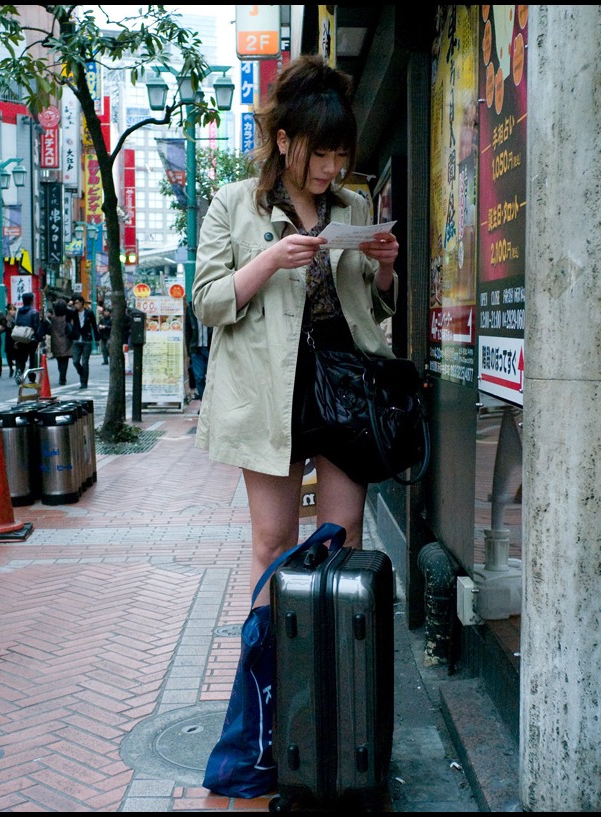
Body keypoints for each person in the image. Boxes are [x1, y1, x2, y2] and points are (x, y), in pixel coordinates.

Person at [191, 55, 400, 602]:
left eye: (340, 155)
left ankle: (333, 669)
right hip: (267, 390)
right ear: (284, 141)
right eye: (320, 153)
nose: (331, 168)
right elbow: (207, 302)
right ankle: (273, 671)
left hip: (344, 385)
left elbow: (374, 310)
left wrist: (384, 268)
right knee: (273, 541)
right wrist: (269, 260)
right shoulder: (236, 204)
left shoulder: (354, 206)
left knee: (342, 540)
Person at [10, 292, 43, 384]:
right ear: (32, 300)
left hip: (20, 337)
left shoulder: (18, 311)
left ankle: (19, 371)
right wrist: (39, 338)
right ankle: (31, 378)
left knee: (21, 358)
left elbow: (15, 323)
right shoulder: (34, 312)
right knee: (32, 358)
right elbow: (36, 326)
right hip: (31, 338)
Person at [68, 294, 98, 389]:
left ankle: (84, 382)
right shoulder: (73, 313)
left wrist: (96, 339)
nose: (75, 305)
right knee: (75, 361)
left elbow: (94, 325)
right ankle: (82, 373)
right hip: (76, 339)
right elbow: (66, 317)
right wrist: (69, 305)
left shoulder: (89, 313)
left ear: (81, 303)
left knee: (85, 362)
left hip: (86, 340)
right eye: (74, 303)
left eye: (76, 303)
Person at [184, 301, 211, 400]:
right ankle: (204, 402)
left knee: (213, 377)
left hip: (210, 348)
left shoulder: (211, 306)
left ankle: (213, 403)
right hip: (196, 349)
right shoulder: (191, 308)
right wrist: (190, 350)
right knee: (199, 377)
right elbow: (188, 331)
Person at [47, 298, 74, 386]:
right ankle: (62, 378)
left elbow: (50, 329)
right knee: (64, 361)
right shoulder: (67, 317)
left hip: (55, 341)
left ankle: (61, 376)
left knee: (59, 360)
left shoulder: (53, 318)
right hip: (66, 341)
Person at [2, 304, 18, 378]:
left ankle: (17, 369)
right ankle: (11, 369)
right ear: (8, 311)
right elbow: (4, 327)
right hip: (9, 338)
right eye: (11, 310)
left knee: (17, 355)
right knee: (9, 355)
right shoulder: (6, 318)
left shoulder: (17, 318)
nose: (12, 311)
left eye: (14, 310)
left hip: (16, 338)